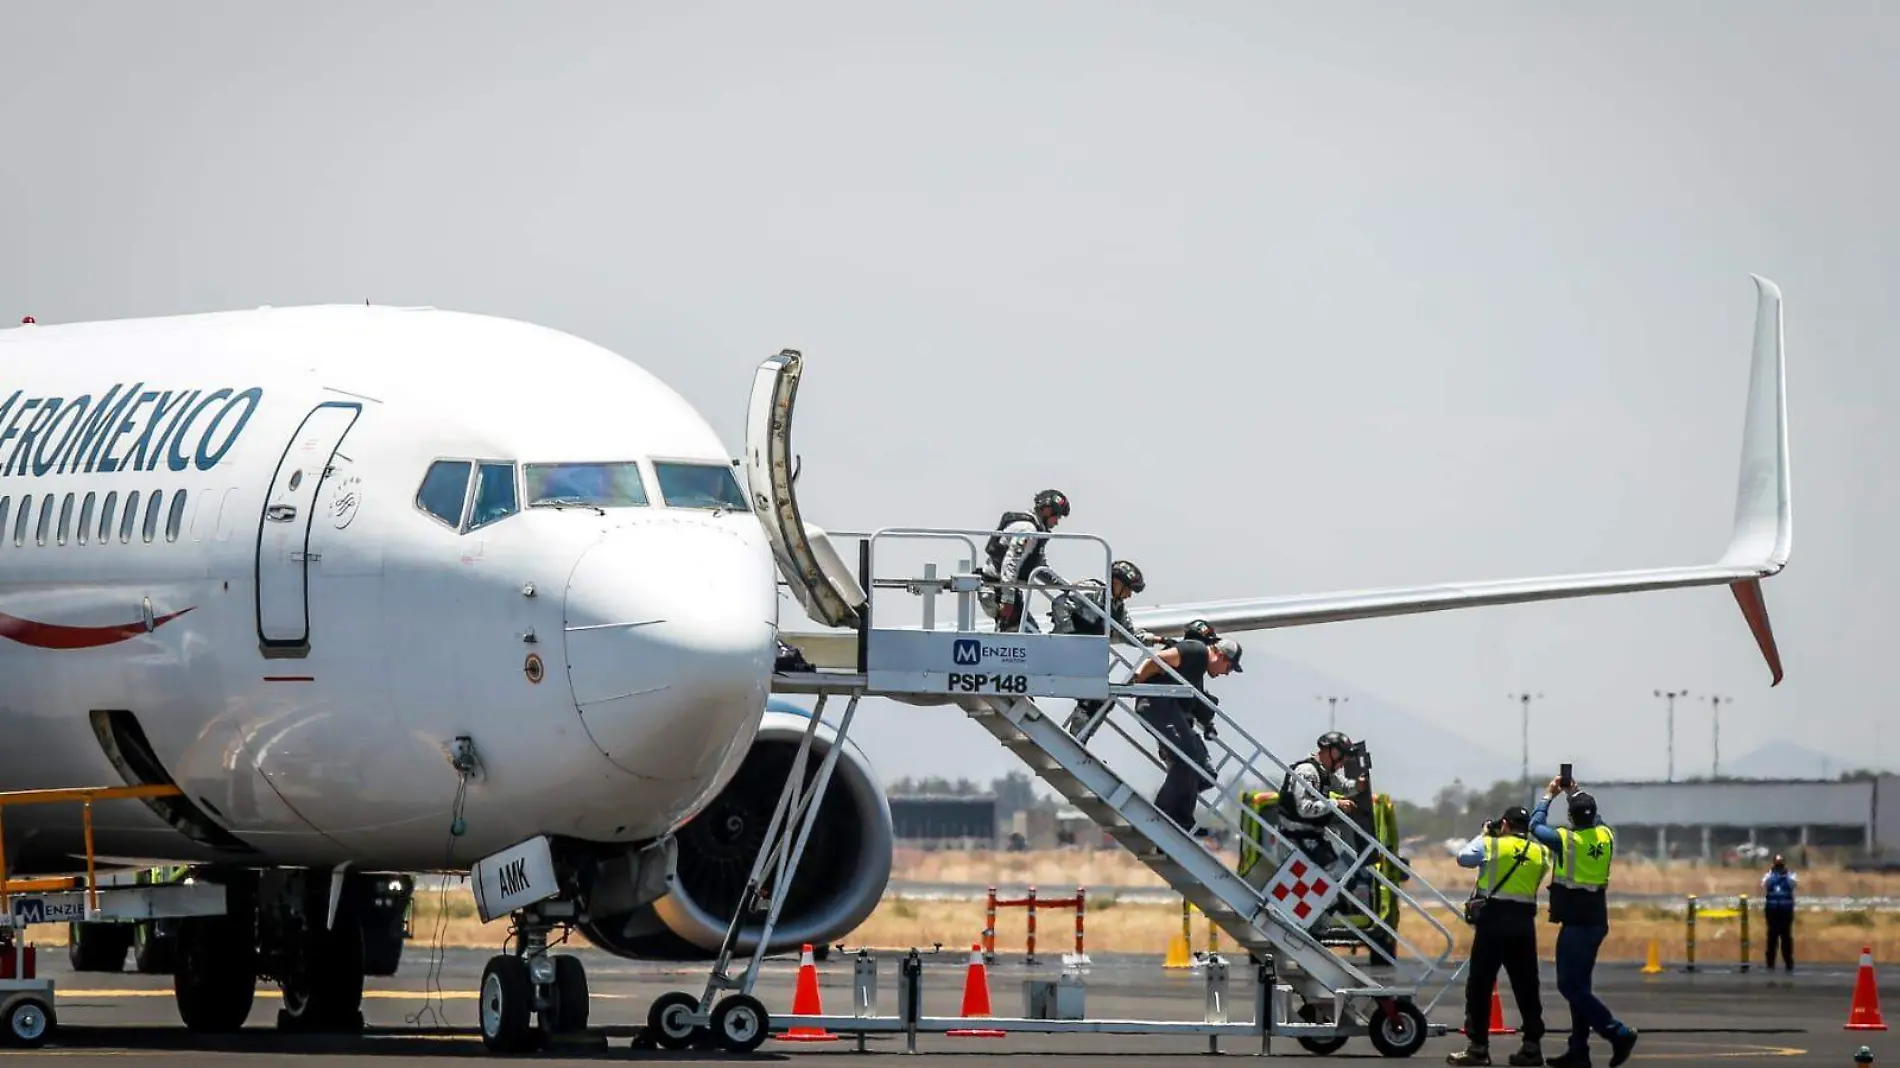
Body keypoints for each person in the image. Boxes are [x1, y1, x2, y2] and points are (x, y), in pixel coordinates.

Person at [1529, 780, 1639, 1068]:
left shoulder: (1567, 840)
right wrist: (1573, 793)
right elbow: (1596, 818)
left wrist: (1548, 796)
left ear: (1571, 818)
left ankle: (1618, 1033)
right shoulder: (1606, 835)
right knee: (1580, 986)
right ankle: (1578, 1051)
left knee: (1569, 986)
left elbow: (1535, 825)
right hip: (1596, 918)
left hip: (1577, 921)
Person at [1448, 806, 1550, 1067]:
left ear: (1504, 824)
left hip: (1493, 922)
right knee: (1527, 986)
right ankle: (1532, 1047)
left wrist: (1483, 834)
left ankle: (1478, 1048)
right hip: (1523, 924)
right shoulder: (1540, 853)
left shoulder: (1491, 845)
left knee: (1480, 986)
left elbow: (1463, 858)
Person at [1126, 637, 1242, 831]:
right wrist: (1139, 678)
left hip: (1170, 710)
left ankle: (1183, 818)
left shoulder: (1198, 669)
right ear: (1221, 656)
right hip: (1157, 704)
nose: (1226, 674)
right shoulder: (1197, 651)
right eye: (1229, 668)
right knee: (1186, 758)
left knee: (1203, 769)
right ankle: (1163, 815)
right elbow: (1159, 658)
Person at [1052, 560, 1166, 736]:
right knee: (1092, 698)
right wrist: (1070, 635)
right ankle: (1076, 736)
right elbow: (1060, 604)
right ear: (1117, 583)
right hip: (1065, 652)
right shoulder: (1092, 591)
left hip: (1087, 659)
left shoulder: (1117, 608)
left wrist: (1159, 639)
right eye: (1128, 589)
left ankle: (1080, 738)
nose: (1129, 595)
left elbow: (1130, 634)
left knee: (1104, 700)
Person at [1275, 732, 1367, 875]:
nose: (1342, 766)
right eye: (1342, 760)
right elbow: (1304, 809)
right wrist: (1336, 804)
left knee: (1343, 875)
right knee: (1338, 876)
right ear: (1333, 752)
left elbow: (1343, 787)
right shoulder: (1307, 772)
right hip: (1297, 841)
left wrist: (1358, 786)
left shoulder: (1324, 772)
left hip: (1310, 839)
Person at [980, 489, 1070, 632]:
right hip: (998, 590)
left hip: (1004, 589)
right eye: (1057, 516)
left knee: (1028, 635)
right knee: (1026, 638)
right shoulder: (1028, 530)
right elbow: (1010, 564)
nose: (1057, 522)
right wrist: (1008, 600)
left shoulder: (1035, 530)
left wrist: (1068, 588)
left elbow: (1040, 569)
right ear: (1047, 510)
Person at [1761, 854, 1796, 972]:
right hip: (1772, 910)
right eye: (1777, 863)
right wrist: (1774, 875)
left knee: (1786, 938)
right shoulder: (1769, 875)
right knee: (1772, 937)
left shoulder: (1790, 875)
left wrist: (1784, 875)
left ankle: (1788, 963)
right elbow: (1765, 884)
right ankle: (1770, 963)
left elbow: (1793, 883)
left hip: (1785, 910)